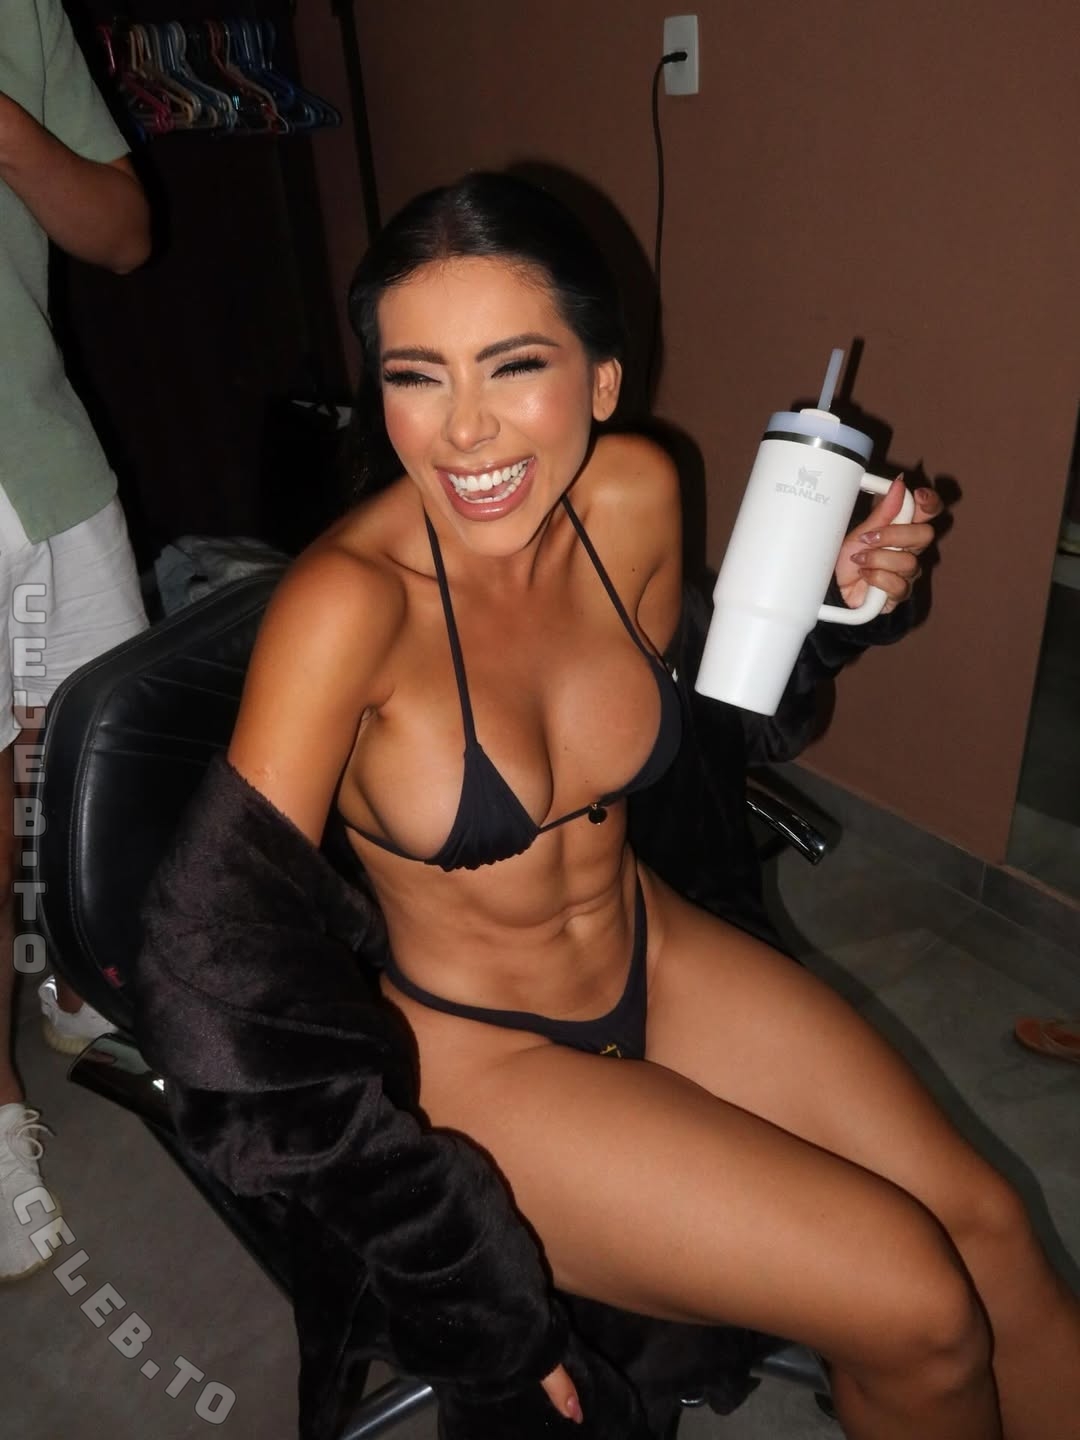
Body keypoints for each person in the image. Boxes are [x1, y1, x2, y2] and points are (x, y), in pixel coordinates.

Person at [211, 172, 1080, 1436]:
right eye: (416, 376)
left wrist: (829, 602)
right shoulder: (345, 608)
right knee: (917, 1305)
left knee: (990, 1233)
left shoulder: (636, 494)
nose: (466, 431)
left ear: (603, 382)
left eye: (514, 367)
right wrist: (443, 1259)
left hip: (654, 956)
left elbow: (713, 715)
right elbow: (214, 965)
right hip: (481, 1055)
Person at [0, 0, 150, 1280]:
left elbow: (121, 233)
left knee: (98, 769)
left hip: (41, 458)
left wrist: (3, 130)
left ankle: (75, 987)